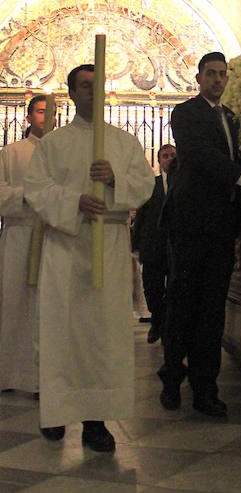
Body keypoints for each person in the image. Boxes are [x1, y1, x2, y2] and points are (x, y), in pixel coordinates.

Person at [24, 65, 154, 452]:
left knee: (102, 336)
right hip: (66, 247)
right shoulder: (53, 144)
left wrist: (115, 181)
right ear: (71, 93)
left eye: (97, 86)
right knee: (61, 332)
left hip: (108, 245)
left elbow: (145, 184)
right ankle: (56, 411)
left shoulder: (124, 142)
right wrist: (74, 201)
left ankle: (96, 421)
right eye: (84, 86)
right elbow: (36, 188)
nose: (91, 92)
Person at [159, 51, 241, 416]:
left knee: (212, 309)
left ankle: (205, 388)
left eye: (222, 74)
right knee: (183, 302)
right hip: (191, 223)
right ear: (198, 78)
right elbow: (200, 155)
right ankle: (171, 376)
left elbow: (236, 156)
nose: (217, 80)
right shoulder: (186, 113)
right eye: (210, 73)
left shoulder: (231, 118)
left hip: (222, 225)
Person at [0, 96, 52, 393]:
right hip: (20, 234)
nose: (46, 116)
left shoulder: (59, 153)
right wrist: (27, 194)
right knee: (14, 303)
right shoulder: (12, 152)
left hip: (51, 236)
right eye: (41, 111)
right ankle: (9, 374)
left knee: (46, 306)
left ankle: (41, 377)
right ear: (29, 117)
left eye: (50, 112)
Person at [132, 144, 176, 344]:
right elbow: (141, 215)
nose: (169, 159)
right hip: (153, 246)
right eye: (165, 156)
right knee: (152, 289)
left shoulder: (183, 183)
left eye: (173, 155)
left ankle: (167, 327)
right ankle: (157, 321)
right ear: (159, 161)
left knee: (174, 290)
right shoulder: (151, 185)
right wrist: (136, 244)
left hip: (176, 246)